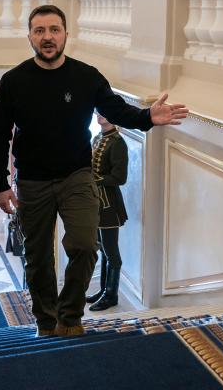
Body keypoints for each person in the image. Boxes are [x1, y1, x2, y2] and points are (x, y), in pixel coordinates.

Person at [0, 5, 189, 337]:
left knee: (84, 245)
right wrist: (0, 181)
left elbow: (116, 110)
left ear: (66, 34)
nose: (47, 37)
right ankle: (46, 322)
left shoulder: (87, 76)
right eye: (39, 31)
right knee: (38, 259)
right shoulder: (14, 81)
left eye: (54, 29)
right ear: (30, 38)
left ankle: (70, 316)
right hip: (32, 181)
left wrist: (147, 117)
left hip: (77, 176)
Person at [86, 113, 128, 312]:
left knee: (112, 253)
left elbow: (120, 177)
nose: (100, 115)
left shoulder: (118, 143)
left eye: (105, 112)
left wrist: (96, 181)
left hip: (109, 204)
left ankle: (111, 295)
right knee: (102, 248)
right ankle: (103, 290)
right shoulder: (97, 138)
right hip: (95, 203)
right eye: (98, 111)